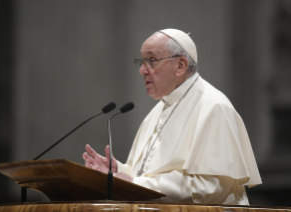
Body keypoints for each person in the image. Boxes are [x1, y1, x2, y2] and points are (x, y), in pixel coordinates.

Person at [83, 28, 262, 204]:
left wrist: (134, 183)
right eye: (141, 62)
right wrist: (117, 172)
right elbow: (147, 173)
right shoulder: (158, 110)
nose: (142, 71)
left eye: (152, 60)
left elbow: (210, 187)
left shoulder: (213, 106)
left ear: (180, 65)